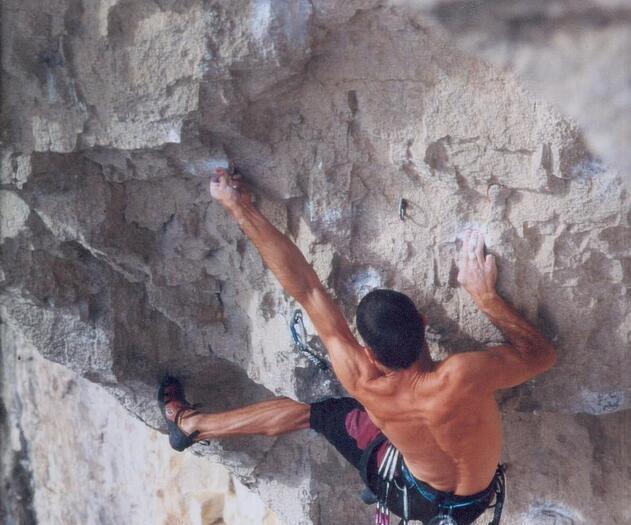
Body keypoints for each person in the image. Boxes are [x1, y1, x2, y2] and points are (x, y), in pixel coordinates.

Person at [158, 168, 557, 525]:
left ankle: (194, 426)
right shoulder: (462, 376)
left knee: (318, 415)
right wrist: (484, 296)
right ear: (422, 323)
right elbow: (542, 356)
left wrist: (238, 208)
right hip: (470, 507)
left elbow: (308, 290)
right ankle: (194, 427)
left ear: (369, 354)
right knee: (355, 426)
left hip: (407, 496)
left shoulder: (362, 380)